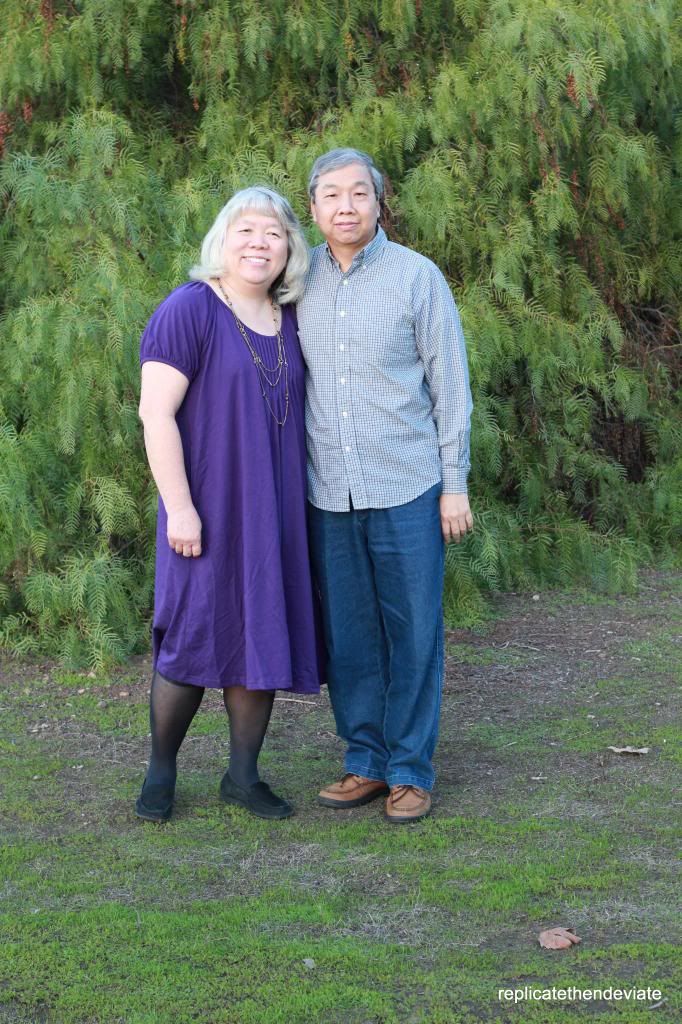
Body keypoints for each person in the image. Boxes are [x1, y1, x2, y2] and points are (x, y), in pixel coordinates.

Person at [298, 148, 473, 823]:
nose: (346, 206)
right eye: (331, 195)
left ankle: (410, 769)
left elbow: (449, 386)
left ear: (378, 203)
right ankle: (365, 761)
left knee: (415, 633)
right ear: (313, 207)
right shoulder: (297, 278)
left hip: (408, 486)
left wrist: (454, 484)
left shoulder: (416, 277)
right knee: (349, 637)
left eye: (358, 194)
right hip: (329, 491)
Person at [135, 186, 321, 823]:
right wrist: (180, 508)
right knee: (192, 636)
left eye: (273, 233)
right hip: (206, 508)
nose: (259, 244)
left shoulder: (288, 316)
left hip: (274, 509)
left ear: (289, 248)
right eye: (246, 231)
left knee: (261, 632)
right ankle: (161, 770)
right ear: (223, 239)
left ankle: (243, 777)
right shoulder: (189, 309)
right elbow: (155, 414)